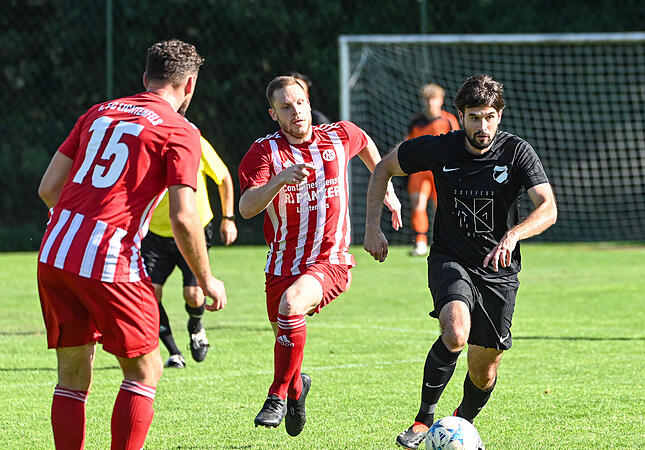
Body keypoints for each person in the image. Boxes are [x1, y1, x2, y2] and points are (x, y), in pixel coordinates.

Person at [36, 39, 227, 450]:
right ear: (189, 85)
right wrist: (205, 277)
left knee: (71, 376)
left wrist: (80, 222)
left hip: (54, 250)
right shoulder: (181, 130)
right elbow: (183, 217)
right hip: (107, 258)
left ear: (145, 78)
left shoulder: (98, 112)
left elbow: (48, 188)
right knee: (144, 371)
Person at [363, 74, 557, 449]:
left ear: (499, 116)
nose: (481, 127)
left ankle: (461, 424)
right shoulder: (440, 148)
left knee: (484, 370)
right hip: (451, 259)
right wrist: (373, 227)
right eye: (473, 117)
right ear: (460, 116)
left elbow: (548, 208)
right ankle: (424, 419)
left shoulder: (517, 152)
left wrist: (514, 234)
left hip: (498, 271)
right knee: (455, 332)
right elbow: (383, 167)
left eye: (488, 117)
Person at [238, 75, 402, 437]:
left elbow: (365, 143)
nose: (295, 111)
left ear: (309, 103)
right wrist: (278, 180)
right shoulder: (263, 152)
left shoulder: (338, 135)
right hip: (281, 264)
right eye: (285, 106)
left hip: (331, 260)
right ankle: (297, 388)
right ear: (273, 114)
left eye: (300, 102)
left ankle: (277, 395)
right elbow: (247, 207)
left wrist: (385, 187)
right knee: (286, 341)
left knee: (292, 305)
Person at [141, 134, 238, 369]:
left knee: (194, 295)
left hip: (193, 229)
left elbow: (223, 177)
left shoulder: (193, 140)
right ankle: (174, 352)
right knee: (149, 295)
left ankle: (196, 328)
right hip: (156, 233)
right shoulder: (144, 145)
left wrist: (228, 218)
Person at [404, 83, 460, 257]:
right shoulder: (416, 122)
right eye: (427, 99)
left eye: (433, 99)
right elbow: (408, 145)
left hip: (442, 172)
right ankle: (420, 243)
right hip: (420, 171)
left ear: (441, 100)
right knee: (418, 204)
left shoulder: (449, 120)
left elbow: (457, 145)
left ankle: (444, 242)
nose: (430, 103)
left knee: (443, 207)